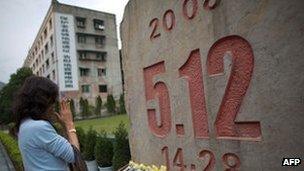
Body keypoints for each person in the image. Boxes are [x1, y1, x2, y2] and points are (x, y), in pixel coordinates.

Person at [13, 76, 80, 171]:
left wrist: (64, 125)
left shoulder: (25, 124)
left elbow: (66, 147)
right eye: (51, 101)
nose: (53, 106)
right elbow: (74, 155)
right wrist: (69, 123)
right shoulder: (38, 127)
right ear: (41, 102)